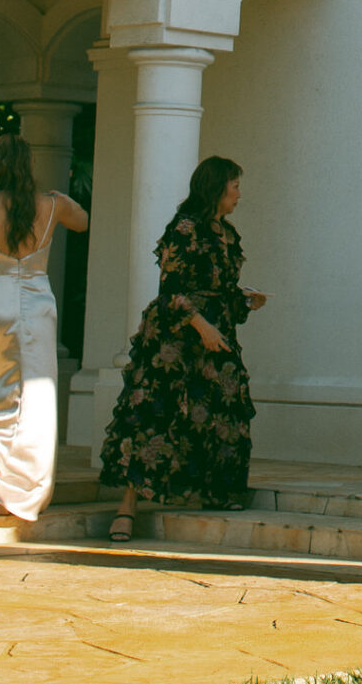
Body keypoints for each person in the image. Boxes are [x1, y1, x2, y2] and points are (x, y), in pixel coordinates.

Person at [101, 156, 265, 541]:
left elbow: (222, 289)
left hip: (216, 332)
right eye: (234, 186)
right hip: (176, 337)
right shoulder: (184, 228)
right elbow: (171, 289)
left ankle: (215, 491)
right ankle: (127, 507)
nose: (239, 194)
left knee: (222, 408)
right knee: (153, 413)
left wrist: (246, 301)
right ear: (217, 187)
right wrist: (200, 325)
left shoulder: (228, 234)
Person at [0, 134, 89, 523]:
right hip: (37, 303)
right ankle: (10, 495)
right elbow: (83, 222)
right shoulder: (51, 204)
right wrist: (61, 197)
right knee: (32, 399)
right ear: (27, 167)